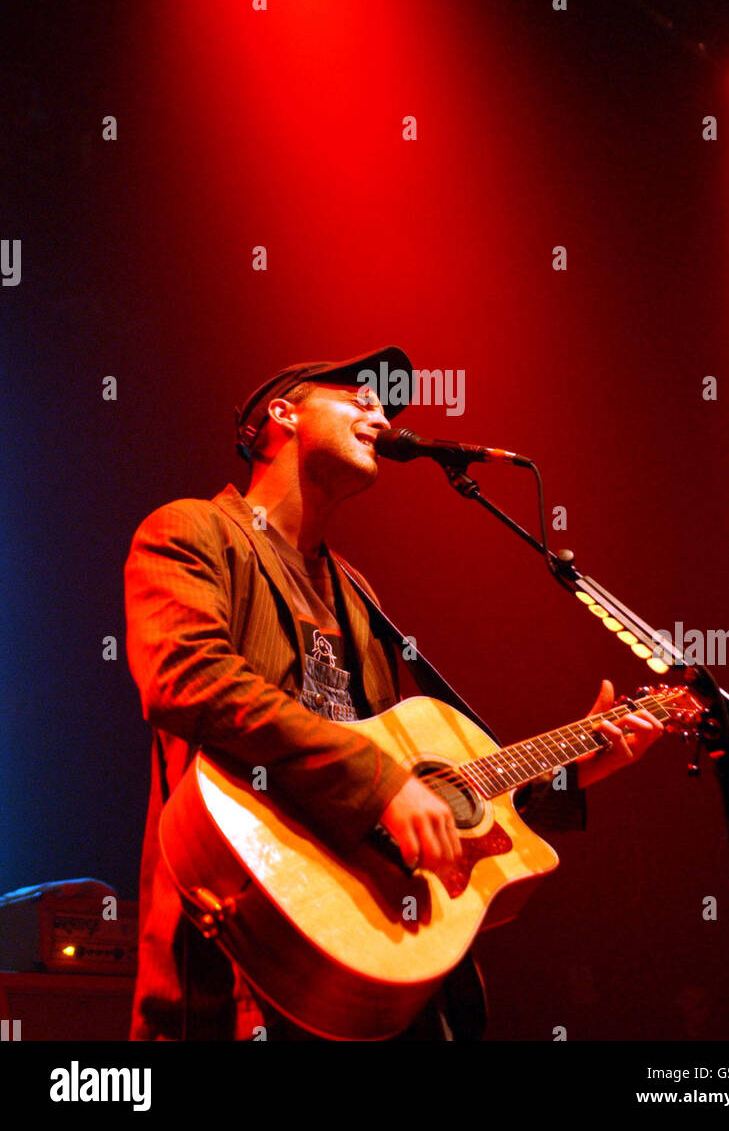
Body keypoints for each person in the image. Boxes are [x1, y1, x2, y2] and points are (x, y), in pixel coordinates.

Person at [124, 345, 664, 1041]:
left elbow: (425, 793)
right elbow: (186, 679)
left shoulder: (357, 592)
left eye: (384, 404)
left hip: (374, 950)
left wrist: (573, 777)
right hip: (242, 954)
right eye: (358, 395)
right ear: (280, 415)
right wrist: (379, 782)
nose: (380, 414)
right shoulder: (192, 530)